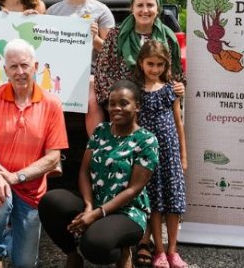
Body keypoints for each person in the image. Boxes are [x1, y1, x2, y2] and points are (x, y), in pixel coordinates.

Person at [94, 0, 184, 265]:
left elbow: (176, 75)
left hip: (158, 114)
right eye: (140, 5)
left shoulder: (166, 37)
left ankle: (154, 244)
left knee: (156, 183)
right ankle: (136, 240)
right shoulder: (117, 37)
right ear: (131, 8)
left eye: (150, 6)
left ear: (158, 9)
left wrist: (178, 88)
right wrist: (118, 106)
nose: (145, 10)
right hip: (127, 117)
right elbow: (103, 72)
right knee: (131, 177)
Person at [39, 79, 158, 268]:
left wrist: (97, 214)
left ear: (137, 107)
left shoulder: (147, 141)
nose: (116, 108)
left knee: (94, 245)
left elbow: (134, 189)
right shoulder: (101, 130)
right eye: (112, 103)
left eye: (124, 103)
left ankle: (122, 252)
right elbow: (84, 172)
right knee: (51, 202)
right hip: (95, 204)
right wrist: (88, 206)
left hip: (128, 212)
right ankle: (72, 255)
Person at [0, 39, 69, 268]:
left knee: (25, 264)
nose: (20, 72)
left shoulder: (52, 103)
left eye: (25, 65)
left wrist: (16, 177)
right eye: (13, 67)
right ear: (5, 70)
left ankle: (8, 240)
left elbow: (53, 157)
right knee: (1, 197)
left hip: (30, 188)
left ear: (35, 67)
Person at [132, 40, 187, 268]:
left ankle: (173, 250)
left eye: (160, 65)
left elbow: (178, 122)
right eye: (150, 64)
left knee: (173, 202)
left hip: (170, 153)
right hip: (147, 156)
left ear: (166, 65)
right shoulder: (136, 91)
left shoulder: (170, 89)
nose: (155, 69)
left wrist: (183, 154)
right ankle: (159, 251)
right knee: (154, 201)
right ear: (141, 63)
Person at [46, 0, 115, 134]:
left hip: (90, 75)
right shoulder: (53, 11)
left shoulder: (101, 11)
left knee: (91, 101)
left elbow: (112, 53)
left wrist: (94, 39)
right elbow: (44, 45)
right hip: (58, 73)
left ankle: (96, 151)